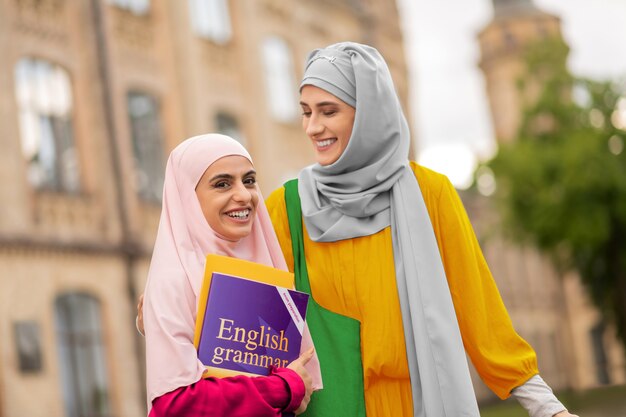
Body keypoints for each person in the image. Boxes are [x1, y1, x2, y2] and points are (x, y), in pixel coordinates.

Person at [264, 42, 579, 417]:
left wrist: (548, 408)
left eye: (328, 111)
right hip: (327, 409)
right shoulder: (286, 207)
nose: (313, 127)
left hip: (418, 406)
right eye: (306, 112)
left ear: (367, 113)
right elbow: (260, 330)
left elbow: (477, 305)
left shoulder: (429, 194)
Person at [141, 133, 321, 417]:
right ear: (187, 197)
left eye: (249, 181)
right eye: (222, 184)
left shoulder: (266, 267)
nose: (244, 194)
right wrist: (282, 389)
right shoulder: (174, 280)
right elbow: (174, 405)